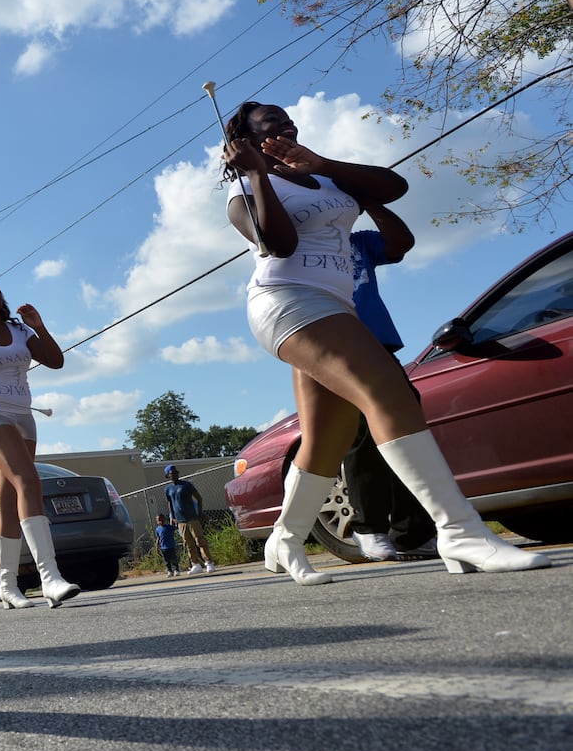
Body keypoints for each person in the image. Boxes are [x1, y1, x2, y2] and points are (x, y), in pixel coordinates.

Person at [221, 100, 549, 583]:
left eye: (288, 119)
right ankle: (458, 529)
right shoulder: (244, 192)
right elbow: (281, 244)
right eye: (272, 123)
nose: (286, 125)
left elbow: (395, 188)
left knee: (328, 437)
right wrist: (258, 175)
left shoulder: (322, 175)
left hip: (336, 305)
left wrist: (324, 166)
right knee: (388, 393)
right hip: (286, 301)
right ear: (248, 140)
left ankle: (284, 540)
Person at [0, 278, 81, 609]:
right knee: (28, 479)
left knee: (9, 498)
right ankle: (49, 577)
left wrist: (39, 326)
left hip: (24, 416)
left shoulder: (21, 331)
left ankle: (7, 584)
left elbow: (55, 361)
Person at [343, 203, 437, 561]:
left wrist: (369, 199)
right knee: (363, 432)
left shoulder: (360, 242)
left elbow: (400, 243)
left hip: (377, 343)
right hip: (335, 341)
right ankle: (369, 528)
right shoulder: (307, 243)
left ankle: (412, 532)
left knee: (406, 426)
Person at [163, 465, 215, 575]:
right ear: (168, 475)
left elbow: (198, 498)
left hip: (192, 518)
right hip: (180, 521)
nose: (175, 474)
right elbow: (170, 503)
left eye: (176, 472)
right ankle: (195, 564)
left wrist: (199, 513)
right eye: (172, 473)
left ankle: (209, 562)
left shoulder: (186, 485)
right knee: (188, 543)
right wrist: (172, 517)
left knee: (200, 540)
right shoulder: (168, 489)